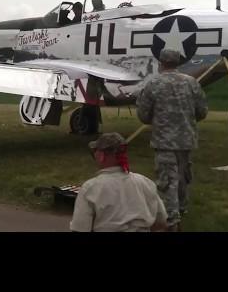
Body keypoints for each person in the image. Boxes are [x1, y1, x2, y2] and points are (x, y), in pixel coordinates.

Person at [136, 49, 208, 231]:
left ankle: (171, 221)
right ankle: (181, 209)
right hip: (186, 140)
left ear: (160, 62)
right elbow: (202, 112)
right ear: (178, 63)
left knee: (167, 180)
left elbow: (143, 115)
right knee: (183, 177)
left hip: (164, 140)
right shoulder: (191, 82)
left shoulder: (153, 84)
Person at [70, 132, 168, 232]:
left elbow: (79, 228)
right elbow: (161, 221)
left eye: (95, 151)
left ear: (101, 156)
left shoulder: (90, 188)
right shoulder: (145, 183)